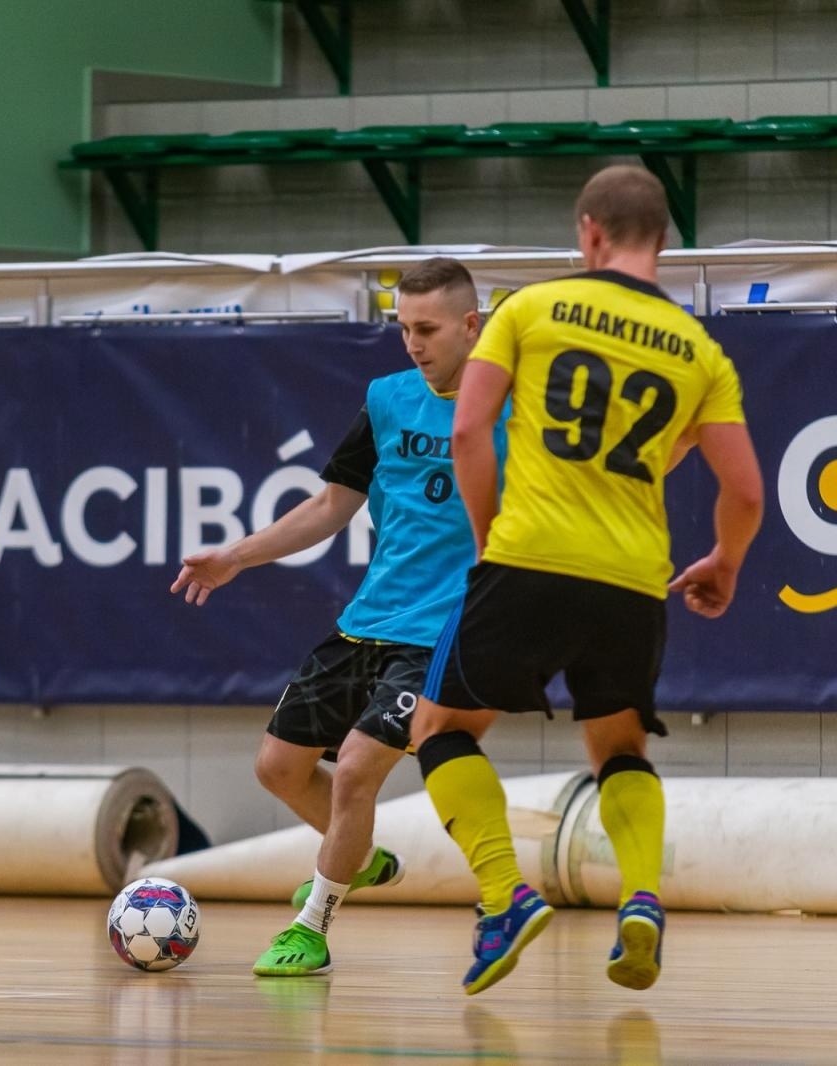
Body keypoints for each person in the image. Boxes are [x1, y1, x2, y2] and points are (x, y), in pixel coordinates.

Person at [410, 165, 765, 996]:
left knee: (441, 728)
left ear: (591, 233)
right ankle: (640, 898)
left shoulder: (530, 309)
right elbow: (744, 490)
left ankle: (505, 895)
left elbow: (468, 431)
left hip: (528, 558)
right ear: (661, 242)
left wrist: (488, 535)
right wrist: (724, 563)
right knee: (618, 745)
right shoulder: (701, 351)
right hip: (634, 583)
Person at [170, 257, 505, 977]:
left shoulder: (513, 405)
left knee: (354, 771)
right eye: (402, 328)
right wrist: (238, 556)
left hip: (446, 631)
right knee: (279, 768)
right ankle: (362, 856)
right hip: (368, 619)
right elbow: (330, 506)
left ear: (472, 325)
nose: (413, 343)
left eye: (427, 329)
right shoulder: (386, 399)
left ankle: (313, 926)